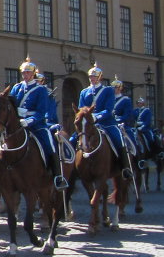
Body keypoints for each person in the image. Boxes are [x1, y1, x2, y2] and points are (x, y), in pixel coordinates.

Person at [9, 58, 67, 190]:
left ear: (33, 73)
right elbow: (11, 105)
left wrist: (29, 120)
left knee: (49, 144)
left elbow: (41, 112)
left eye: (28, 72)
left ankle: (58, 176)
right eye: (23, 72)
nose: (25, 75)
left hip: (36, 125)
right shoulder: (17, 88)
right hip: (18, 124)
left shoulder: (40, 90)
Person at [78, 64, 132, 180]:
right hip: (88, 125)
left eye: (94, 76)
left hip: (106, 123)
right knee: (73, 140)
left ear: (100, 77)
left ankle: (124, 168)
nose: (92, 78)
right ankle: (72, 168)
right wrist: (84, 117)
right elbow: (81, 108)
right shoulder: (84, 92)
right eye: (90, 76)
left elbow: (108, 110)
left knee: (119, 140)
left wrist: (95, 117)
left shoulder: (107, 91)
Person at [111, 76, 138, 177]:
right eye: (113, 87)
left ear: (120, 88)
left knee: (131, 139)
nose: (115, 89)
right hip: (110, 124)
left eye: (117, 87)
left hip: (122, 125)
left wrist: (118, 120)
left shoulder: (125, 100)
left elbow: (127, 114)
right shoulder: (109, 100)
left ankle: (138, 160)